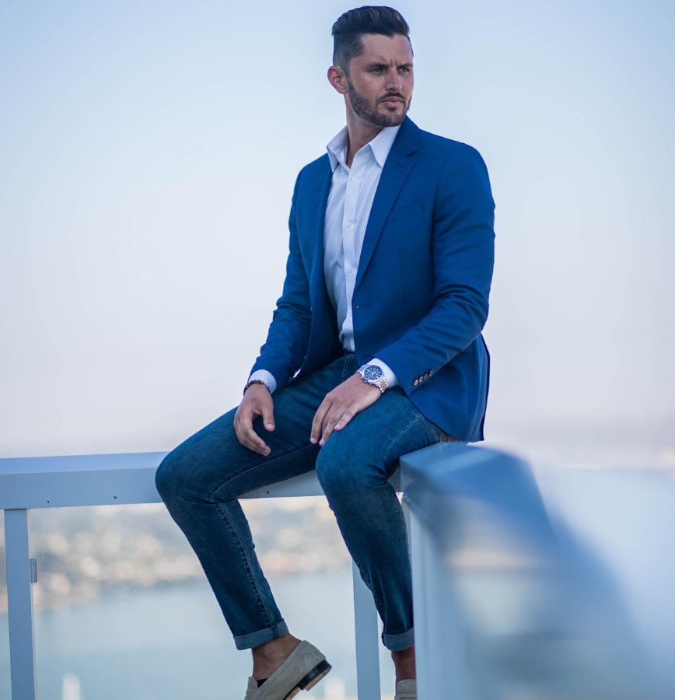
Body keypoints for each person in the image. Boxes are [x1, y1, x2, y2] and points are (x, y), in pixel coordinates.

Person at [156, 6, 494, 700]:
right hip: (334, 376)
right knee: (185, 476)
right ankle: (273, 649)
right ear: (339, 77)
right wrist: (262, 379)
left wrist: (374, 377)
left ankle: (415, 659)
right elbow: (300, 305)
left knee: (348, 461)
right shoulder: (314, 181)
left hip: (430, 380)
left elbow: (464, 305)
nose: (396, 82)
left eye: (405, 68)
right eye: (379, 69)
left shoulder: (454, 167)